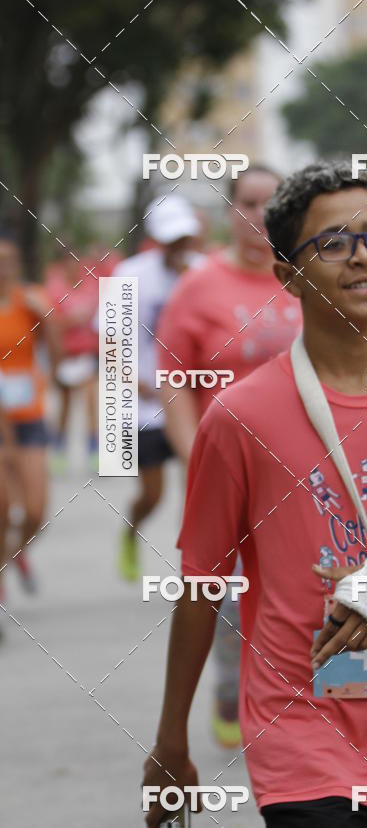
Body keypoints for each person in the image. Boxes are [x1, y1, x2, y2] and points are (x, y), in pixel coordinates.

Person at [143, 161, 367, 827]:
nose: (364, 257)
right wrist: (171, 739)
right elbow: (200, 582)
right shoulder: (240, 416)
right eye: (333, 243)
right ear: (288, 276)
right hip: (299, 741)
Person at [156, 165, 302, 748]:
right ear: (228, 212)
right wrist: (198, 461)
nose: (260, 216)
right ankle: (227, 680)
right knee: (228, 592)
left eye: (273, 204)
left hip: (302, 472)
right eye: (248, 203)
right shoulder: (200, 286)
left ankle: (298, 701)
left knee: (301, 588)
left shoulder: (306, 276)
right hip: (225, 471)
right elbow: (172, 382)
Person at [111, 194, 204, 582]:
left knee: (198, 489)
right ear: (155, 237)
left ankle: (197, 569)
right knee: (153, 495)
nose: (178, 245)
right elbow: (110, 344)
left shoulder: (204, 272)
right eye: (170, 238)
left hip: (192, 399)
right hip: (144, 405)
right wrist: (135, 382)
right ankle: (131, 533)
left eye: (184, 237)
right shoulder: (128, 274)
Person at [0, 224, 61, 601]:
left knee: (36, 510)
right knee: (3, 508)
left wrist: (48, 319)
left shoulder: (31, 300)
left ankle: (13, 553)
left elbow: (58, 358)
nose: (4, 267)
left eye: (9, 260)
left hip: (29, 415)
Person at [45, 249, 100, 473]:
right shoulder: (55, 290)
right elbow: (51, 324)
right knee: (65, 408)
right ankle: (59, 450)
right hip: (67, 356)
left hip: (88, 356)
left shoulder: (90, 287)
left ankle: (94, 451)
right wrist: (70, 320)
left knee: (91, 403)